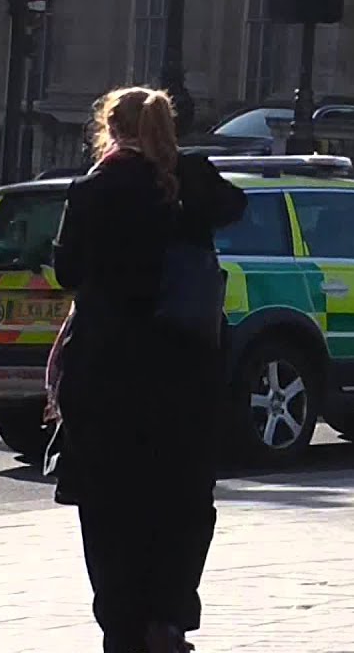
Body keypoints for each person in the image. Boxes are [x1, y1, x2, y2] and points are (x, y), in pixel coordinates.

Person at [52, 86, 246, 652]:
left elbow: (68, 271)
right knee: (180, 501)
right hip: (185, 376)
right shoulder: (190, 179)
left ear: (110, 129)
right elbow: (237, 209)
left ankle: (123, 626)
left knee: (110, 511)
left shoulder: (94, 189)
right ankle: (168, 618)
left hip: (109, 377)